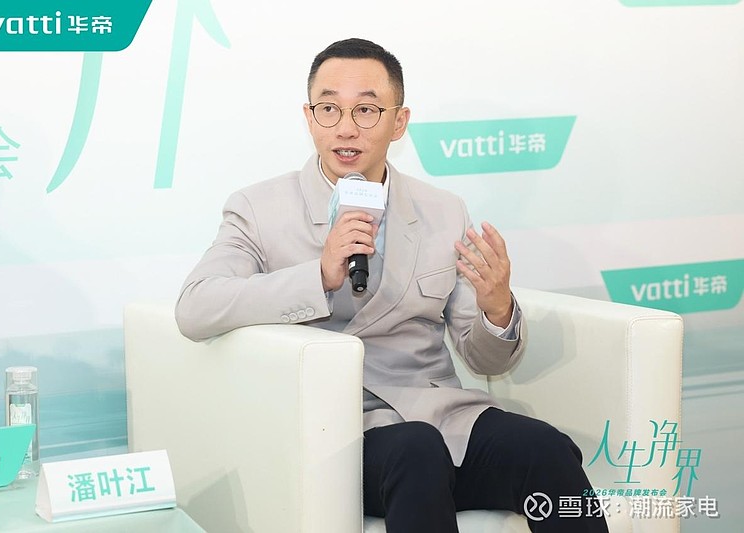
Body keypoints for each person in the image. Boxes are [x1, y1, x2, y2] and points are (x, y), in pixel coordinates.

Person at [175, 37, 608, 533]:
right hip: (336, 432)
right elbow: (195, 307)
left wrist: (496, 310)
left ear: (398, 122)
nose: (346, 128)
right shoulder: (259, 208)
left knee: (543, 448)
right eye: (329, 109)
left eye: (366, 110)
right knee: (416, 451)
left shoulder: (442, 210)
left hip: (441, 418)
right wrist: (319, 275)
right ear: (309, 118)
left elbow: (486, 361)